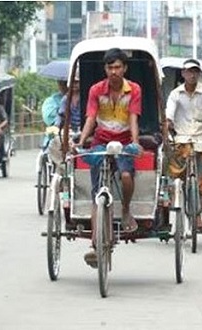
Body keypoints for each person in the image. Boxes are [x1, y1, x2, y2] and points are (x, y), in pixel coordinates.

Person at [72, 48, 142, 267]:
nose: (114, 71)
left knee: (126, 175)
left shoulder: (134, 90)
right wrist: (82, 140)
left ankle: (126, 209)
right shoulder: (96, 90)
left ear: (124, 68)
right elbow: (91, 117)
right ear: (105, 69)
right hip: (101, 141)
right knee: (96, 192)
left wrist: (135, 142)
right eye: (110, 67)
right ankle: (95, 244)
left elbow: (133, 118)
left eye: (118, 67)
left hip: (123, 142)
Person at [165, 58, 202, 233]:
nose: (192, 74)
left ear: (199, 73)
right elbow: (169, 113)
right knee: (175, 170)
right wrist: (169, 123)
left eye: (195, 71)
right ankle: (174, 192)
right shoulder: (175, 94)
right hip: (182, 138)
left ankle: (198, 218)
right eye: (189, 71)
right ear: (183, 74)